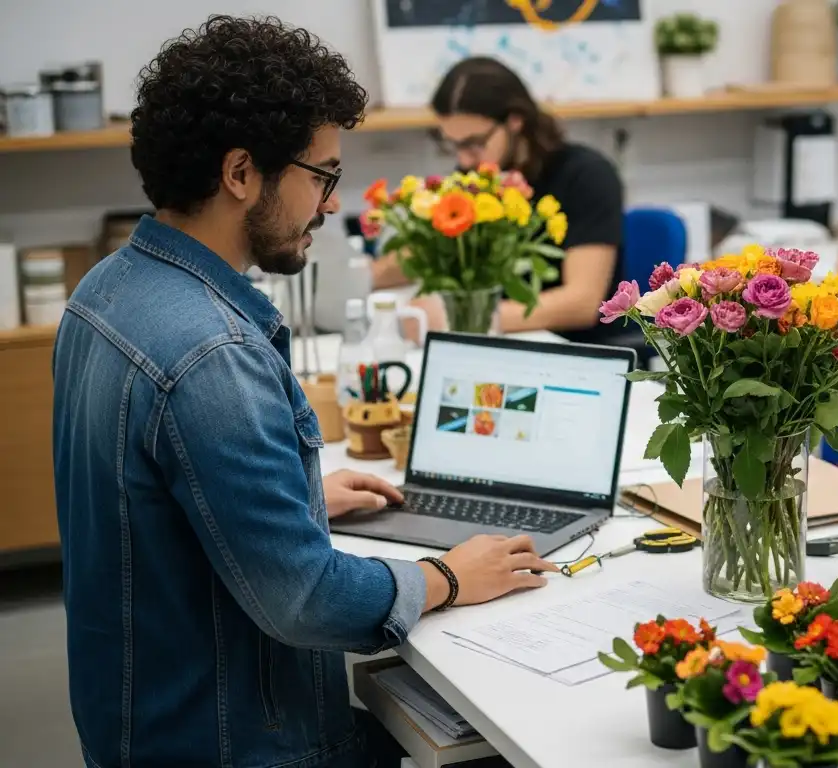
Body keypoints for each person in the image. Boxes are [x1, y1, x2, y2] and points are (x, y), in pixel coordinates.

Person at [51, 16, 556, 767]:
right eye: (322, 176)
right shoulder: (211, 353)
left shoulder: (104, 291)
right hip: (235, 743)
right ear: (241, 173)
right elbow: (304, 600)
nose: (328, 205)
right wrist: (449, 575)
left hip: (138, 727)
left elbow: (159, 502)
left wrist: (300, 494)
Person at [371, 55, 626, 343]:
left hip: (574, 349)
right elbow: (418, 258)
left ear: (515, 121)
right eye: (452, 145)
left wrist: (460, 319)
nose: (463, 159)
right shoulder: (475, 177)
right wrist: (365, 275)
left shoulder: (587, 175)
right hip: (504, 340)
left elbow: (581, 304)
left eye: (474, 143)